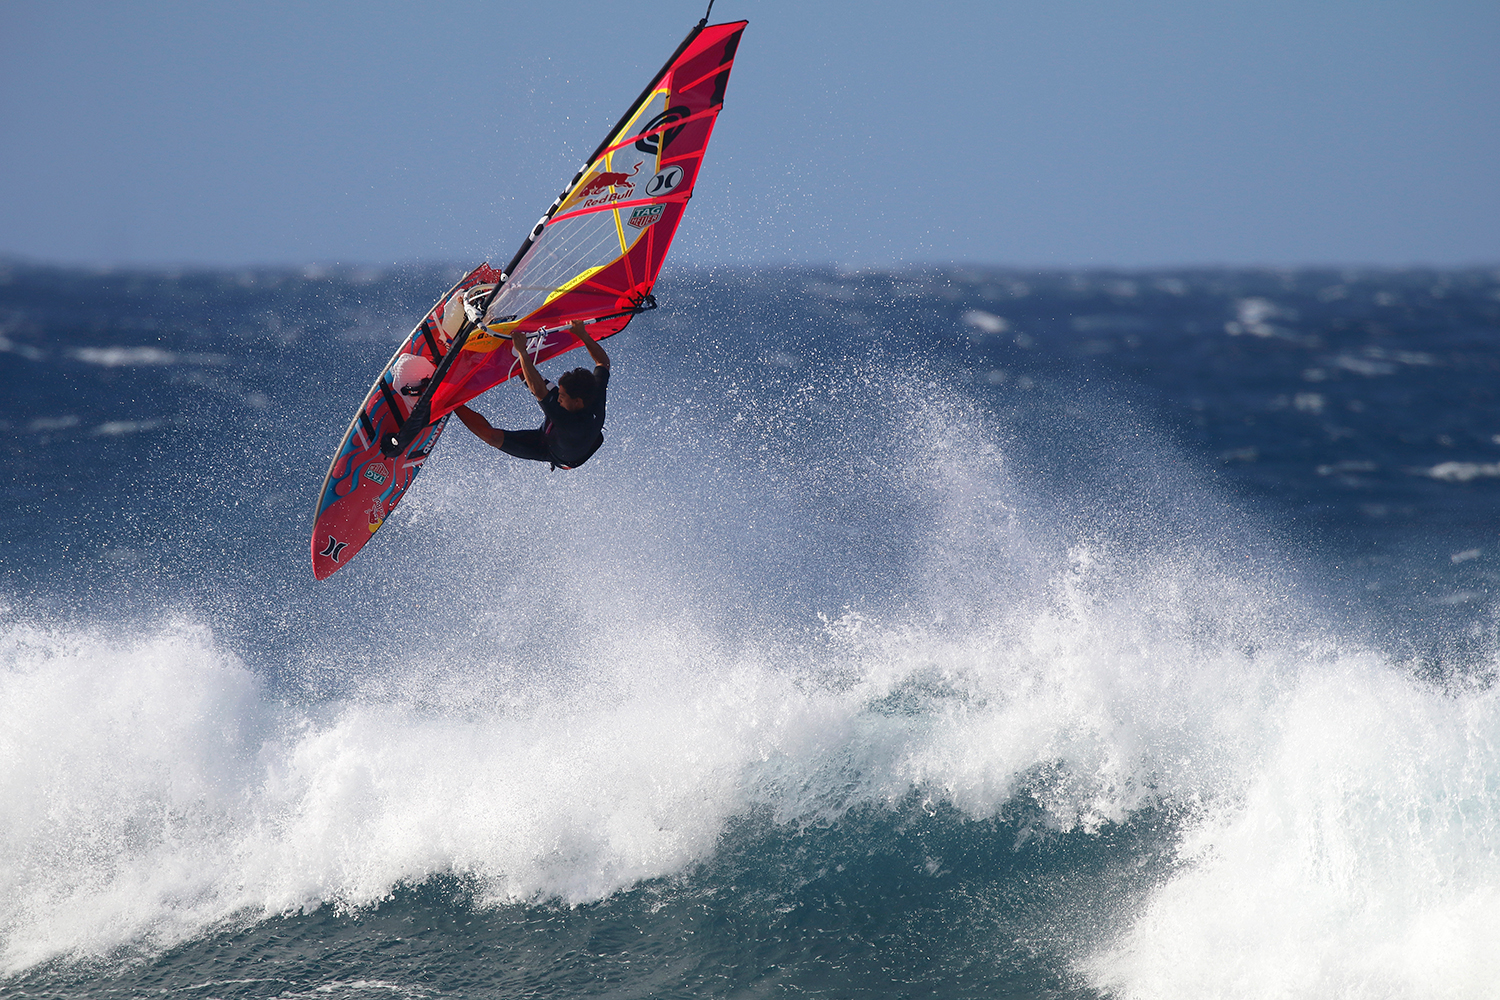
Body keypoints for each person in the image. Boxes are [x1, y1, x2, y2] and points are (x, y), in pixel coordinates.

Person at [453, 320, 610, 470]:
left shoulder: (570, 424)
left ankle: (451, 402)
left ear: (578, 401)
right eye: (559, 393)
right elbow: (603, 363)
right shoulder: (594, 394)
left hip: (551, 450)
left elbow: (539, 391)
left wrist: (522, 351)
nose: (558, 398)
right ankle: (501, 340)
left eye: (562, 396)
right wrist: (582, 334)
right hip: (565, 429)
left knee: (492, 437)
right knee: (523, 371)